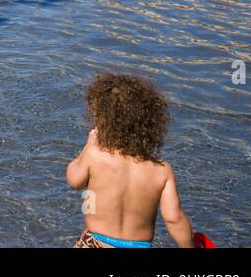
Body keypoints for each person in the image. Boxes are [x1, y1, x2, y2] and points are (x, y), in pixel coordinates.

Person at [66, 73, 193, 249]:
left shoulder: (95, 155)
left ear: (103, 121)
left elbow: (75, 181)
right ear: (150, 125)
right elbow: (173, 218)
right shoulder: (161, 170)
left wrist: (88, 146)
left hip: (95, 244)